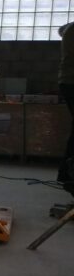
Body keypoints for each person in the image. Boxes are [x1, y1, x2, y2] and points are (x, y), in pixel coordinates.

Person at [58, 21, 74, 190]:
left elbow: (60, 30)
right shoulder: (72, 30)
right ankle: (67, 174)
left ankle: (66, 173)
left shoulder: (70, 29)